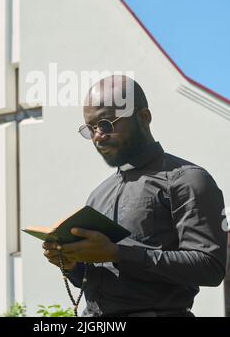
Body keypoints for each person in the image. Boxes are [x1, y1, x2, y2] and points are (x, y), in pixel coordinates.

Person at [43, 75, 227, 317]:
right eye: (90, 129)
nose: (98, 136)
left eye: (107, 124)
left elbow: (210, 267)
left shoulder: (188, 180)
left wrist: (117, 253)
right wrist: (71, 264)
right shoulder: (98, 195)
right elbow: (95, 280)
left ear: (144, 118)